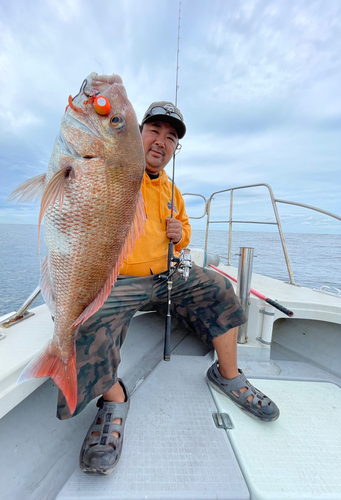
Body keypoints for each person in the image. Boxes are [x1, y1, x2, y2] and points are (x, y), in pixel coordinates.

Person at [56, 102, 280, 475]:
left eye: (171, 137)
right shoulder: (116, 172)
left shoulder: (174, 192)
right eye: (154, 131)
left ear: (176, 148)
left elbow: (185, 230)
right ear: (136, 133)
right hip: (120, 280)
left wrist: (181, 232)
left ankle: (228, 375)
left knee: (221, 289)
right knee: (83, 325)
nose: (162, 141)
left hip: (167, 277)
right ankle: (115, 398)